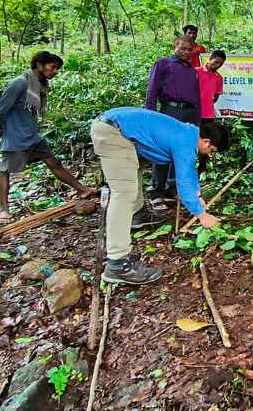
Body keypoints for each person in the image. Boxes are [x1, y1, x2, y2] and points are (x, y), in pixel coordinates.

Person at [91, 108, 229, 284]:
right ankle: (117, 264)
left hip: (118, 128)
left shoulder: (190, 133)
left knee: (131, 179)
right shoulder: (186, 141)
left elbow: (188, 172)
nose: (210, 155)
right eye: (212, 151)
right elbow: (184, 182)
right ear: (206, 141)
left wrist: (197, 195)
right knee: (123, 193)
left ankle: (137, 215)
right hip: (113, 131)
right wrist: (202, 216)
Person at [0, 51, 98, 223]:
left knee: (53, 161)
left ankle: (82, 190)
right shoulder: (19, 83)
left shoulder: (39, 86)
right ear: (39, 65)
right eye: (52, 67)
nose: (55, 71)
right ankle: (3, 210)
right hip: (16, 136)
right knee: (5, 170)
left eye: (57, 68)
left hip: (32, 135)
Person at [145, 36, 201, 203]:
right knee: (163, 149)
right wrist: (150, 115)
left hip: (189, 112)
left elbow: (196, 96)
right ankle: (156, 190)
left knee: (182, 150)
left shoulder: (192, 71)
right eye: (182, 48)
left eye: (190, 49)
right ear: (174, 47)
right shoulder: (163, 64)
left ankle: (172, 188)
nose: (186, 52)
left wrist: (197, 119)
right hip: (170, 110)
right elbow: (152, 90)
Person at [197, 50, 226, 125]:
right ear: (210, 59)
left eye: (221, 64)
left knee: (207, 136)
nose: (218, 65)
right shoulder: (195, 71)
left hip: (208, 115)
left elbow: (216, 98)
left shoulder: (219, 78)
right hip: (193, 112)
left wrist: (206, 103)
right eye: (216, 62)